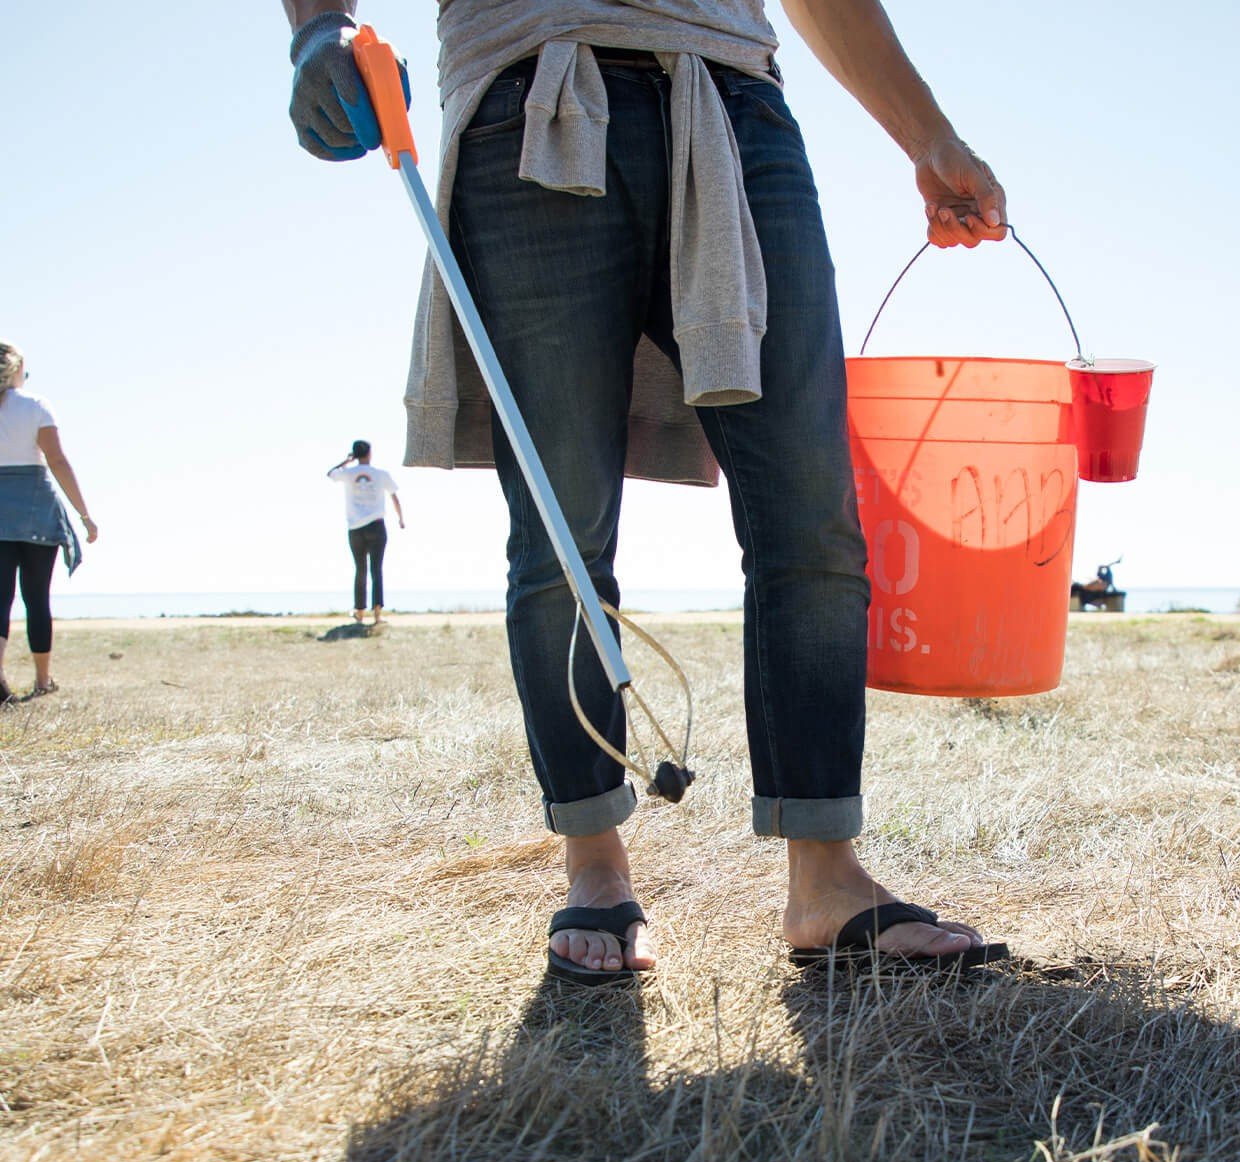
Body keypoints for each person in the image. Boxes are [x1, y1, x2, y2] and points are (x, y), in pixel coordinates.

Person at [284, 0, 1009, 982]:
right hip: (526, 94)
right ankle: (595, 866)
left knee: (811, 517)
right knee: (559, 533)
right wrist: (317, 25)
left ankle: (826, 878)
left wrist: (930, 136)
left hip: (734, 103)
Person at [0, 341, 97, 704]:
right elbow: (56, 461)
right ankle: (43, 681)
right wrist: (84, 514)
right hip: (37, 511)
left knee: (0, 598)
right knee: (37, 597)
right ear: (16, 370)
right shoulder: (36, 405)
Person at [327, 439, 404, 625]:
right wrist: (400, 518)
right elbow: (394, 496)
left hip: (355, 528)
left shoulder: (348, 473)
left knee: (360, 570)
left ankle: (360, 612)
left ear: (355, 454)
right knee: (376, 569)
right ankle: (377, 613)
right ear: (370, 453)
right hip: (376, 525)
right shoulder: (380, 474)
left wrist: (346, 462)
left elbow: (330, 474)